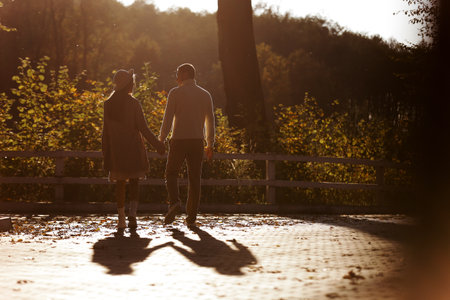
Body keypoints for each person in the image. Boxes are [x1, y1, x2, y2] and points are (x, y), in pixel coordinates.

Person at [102, 69, 165, 233]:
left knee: (120, 184)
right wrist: (157, 144)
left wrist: (106, 154)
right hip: (133, 148)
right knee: (135, 182)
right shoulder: (134, 104)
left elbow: (105, 132)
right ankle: (133, 215)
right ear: (128, 84)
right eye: (132, 82)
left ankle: (121, 218)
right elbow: (143, 128)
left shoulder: (108, 104)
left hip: (116, 150)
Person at [159, 63, 215, 228]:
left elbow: (167, 119)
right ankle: (191, 218)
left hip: (178, 140)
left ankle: (175, 202)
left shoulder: (175, 93)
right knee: (194, 179)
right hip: (197, 141)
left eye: (178, 73)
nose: (176, 77)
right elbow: (210, 121)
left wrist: (161, 139)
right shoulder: (205, 95)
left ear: (184, 74)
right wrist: (210, 143)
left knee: (171, 173)